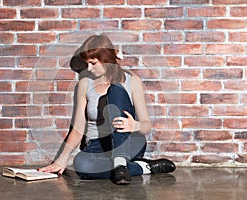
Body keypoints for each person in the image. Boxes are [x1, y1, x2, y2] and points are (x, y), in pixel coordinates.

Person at [39, 34, 176, 185]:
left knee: (116, 89)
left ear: (106, 58)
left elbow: (146, 126)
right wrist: (61, 160)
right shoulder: (85, 84)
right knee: (82, 165)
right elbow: (78, 129)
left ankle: (120, 160)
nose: (89, 69)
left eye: (92, 63)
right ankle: (144, 167)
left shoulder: (132, 80)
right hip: (99, 145)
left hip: (128, 142)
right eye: (86, 64)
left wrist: (135, 125)